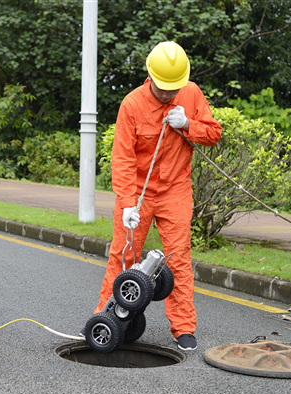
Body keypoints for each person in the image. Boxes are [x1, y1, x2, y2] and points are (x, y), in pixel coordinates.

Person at [96, 41, 222, 351]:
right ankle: (106, 317)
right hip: (137, 193)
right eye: (163, 87)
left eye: (173, 88)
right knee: (123, 257)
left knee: (178, 259)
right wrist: (126, 202)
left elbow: (213, 133)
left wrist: (189, 124)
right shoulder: (132, 104)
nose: (167, 94)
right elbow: (122, 157)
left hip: (175, 191)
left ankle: (183, 328)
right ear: (149, 75)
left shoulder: (191, 93)